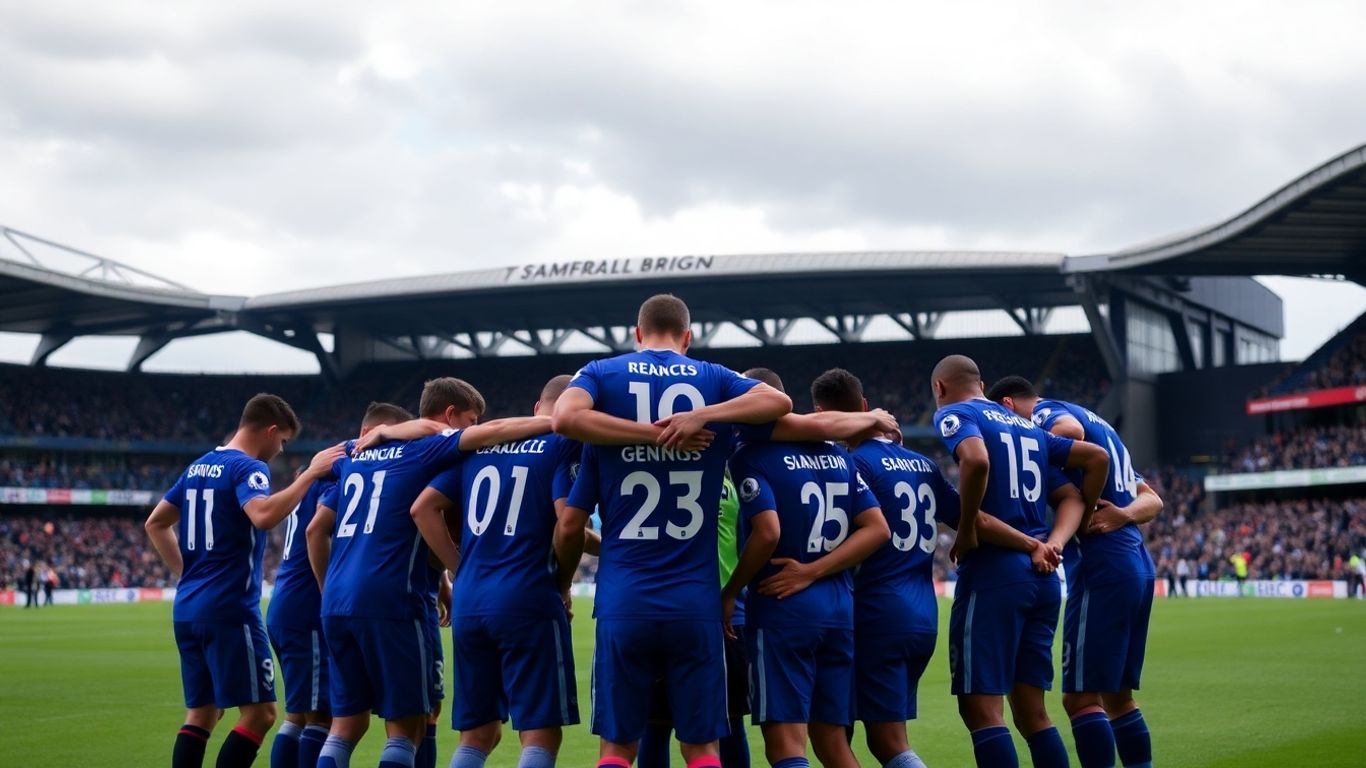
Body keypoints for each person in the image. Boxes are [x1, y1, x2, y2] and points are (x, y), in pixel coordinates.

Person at [552, 293, 792, 768]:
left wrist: (643, 432)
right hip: (696, 602)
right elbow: (778, 401)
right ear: (689, 335)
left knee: (619, 747)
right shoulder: (716, 378)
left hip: (624, 601)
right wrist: (700, 416)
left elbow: (564, 420)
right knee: (702, 747)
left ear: (636, 334)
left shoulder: (601, 375)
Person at [306, 377, 554, 768]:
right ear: (451, 415)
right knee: (408, 727)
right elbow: (497, 432)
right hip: (392, 597)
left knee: (345, 725)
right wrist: (561, 422)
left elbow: (314, 529)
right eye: (470, 420)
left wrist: (326, 591)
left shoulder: (358, 453)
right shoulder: (426, 450)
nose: (474, 428)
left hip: (336, 600)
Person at [144, 393, 347, 768]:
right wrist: (310, 475)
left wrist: (187, 575)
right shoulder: (247, 468)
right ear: (270, 430)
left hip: (187, 608)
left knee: (203, 714)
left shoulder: (198, 467)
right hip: (229, 610)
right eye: (282, 441)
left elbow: (155, 523)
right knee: (261, 714)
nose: (280, 450)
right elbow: (263, 515)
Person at [932, 356, 1109, 768]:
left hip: (997, 573)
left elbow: (975, 460)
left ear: (940, 388)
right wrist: (1056, 541)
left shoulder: (955, 413)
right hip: (1044, 574)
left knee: (981, 710)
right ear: (982, 382)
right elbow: (1095, 459)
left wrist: (967, 527)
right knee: (1033, 713)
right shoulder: (1029, 428)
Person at [402, 374, 583, 768]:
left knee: (478, 733)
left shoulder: (479, 447)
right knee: (539, 733)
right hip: (528, 596)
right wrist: (564, 584)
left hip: (471, 602)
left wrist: (459, 570)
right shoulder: (563, 443)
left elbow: (422, 509)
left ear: (538, 406)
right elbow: (565, 524)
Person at [990, 375, 1163, 768]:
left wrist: (1083, 507)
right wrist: (1123, 514)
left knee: (1080, 698)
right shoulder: (1103, 425)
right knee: (1118, 697)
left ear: (1008, 404)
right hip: (1136, 563)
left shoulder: (1047, 414)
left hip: (1102, 566)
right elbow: (1152, 500)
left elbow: (1068, 434)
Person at [725, 369, 891, 768]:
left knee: (786, 744)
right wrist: (818, 570)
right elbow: (877, 529)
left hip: (783, 608)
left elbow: (767, 534)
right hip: (838, 610)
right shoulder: (834, 453)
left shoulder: (749, 454)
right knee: (833, 743)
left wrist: (731, 591)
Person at [809, 367, 959, 768]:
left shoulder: (851, 465)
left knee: (855, 736)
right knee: (884, 738)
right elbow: (966, 515)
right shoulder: (924, 464)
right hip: (922, 614)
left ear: (823, 413)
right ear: (862, 406)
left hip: (874, 613)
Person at [267, 402, 413, 768]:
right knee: (321, 717)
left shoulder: (320, 464)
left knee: (299, 715)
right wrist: (328, 588)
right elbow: (318, 529)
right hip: (309, 603)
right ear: (376, 431)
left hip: (289, 600)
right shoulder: (344, 465)